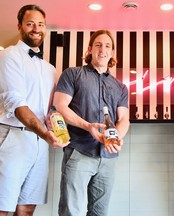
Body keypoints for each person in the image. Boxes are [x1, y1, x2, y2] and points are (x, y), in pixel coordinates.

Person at [53, 29, 130, 216]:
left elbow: (124, 119)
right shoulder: (72, 74)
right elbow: (60, 106)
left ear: (112, 52)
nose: (102, 49)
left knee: (99, 213)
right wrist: (88, 126)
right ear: (89, 49)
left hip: (107, 158)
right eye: (98, 44)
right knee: (71, 211)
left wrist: (116, 138)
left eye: (107, 46)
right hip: (79, 151)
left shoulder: (120, 87)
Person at [0, 4, 67, 216]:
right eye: (30, 24)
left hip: (40, 143)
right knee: (3, 205)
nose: (36, 29)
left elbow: (52, 110)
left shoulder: (50, 69)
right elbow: (16, 103)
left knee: (27, 208)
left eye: (40, 24)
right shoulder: (9, 56)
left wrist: (57, 128)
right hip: (13, 137)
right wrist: (45, 133)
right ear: (20, 26)